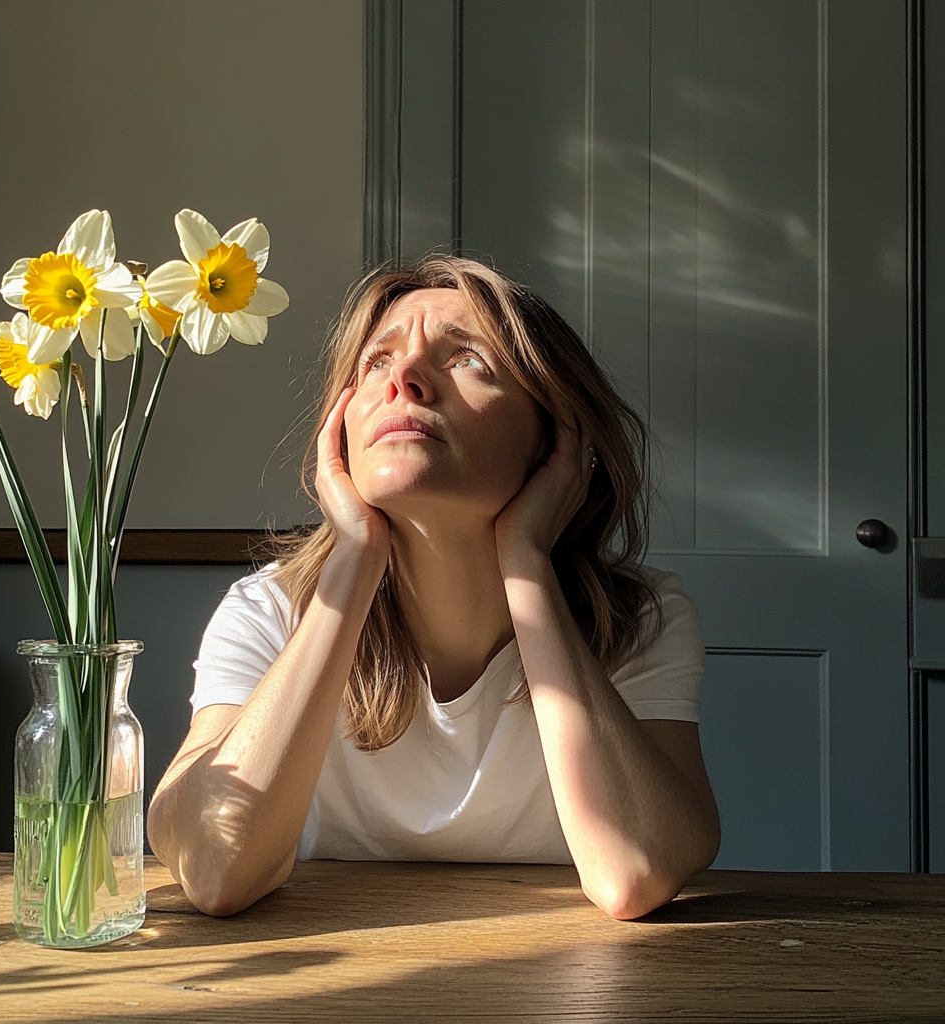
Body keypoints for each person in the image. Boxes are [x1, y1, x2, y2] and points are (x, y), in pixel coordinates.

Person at [146, 255, 721, 920]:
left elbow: (634, 874)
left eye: (468, 360)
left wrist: (526, 560)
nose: (406, 381)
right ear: (340, 430)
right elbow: (215, 867)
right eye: (376, 363)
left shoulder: (638, 619)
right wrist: (355, 556)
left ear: (558, 440)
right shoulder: (269, 612)